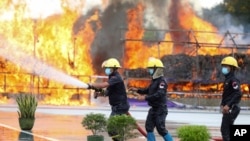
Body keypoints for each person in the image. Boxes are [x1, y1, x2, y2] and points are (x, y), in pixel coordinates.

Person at [129, 57, 173, 141]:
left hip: (161, 109)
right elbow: (148, 90)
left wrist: (145, 97)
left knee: (161, 129)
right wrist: (137, 90)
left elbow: (159, 94)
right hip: (154, 109)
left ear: (157, 69)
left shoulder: (162, 82)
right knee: (149, 127)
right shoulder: (154, 81)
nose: (149, 70)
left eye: (151, 69)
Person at [87, 58, 130, 141]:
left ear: (113, 68)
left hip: (120, 107)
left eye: (108, 68)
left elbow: (104, 85)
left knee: (111, 128)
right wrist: (98, 94)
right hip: (117, 107)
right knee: (114, 129)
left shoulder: (116, 78)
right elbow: (107, 92)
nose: (106, 70)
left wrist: (91, 85)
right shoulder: (112, 78)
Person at [220, 56, 242, 141]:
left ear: (232, 68)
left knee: (225, 131)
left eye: (226, 66)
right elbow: (227, 95)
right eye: (223, 66)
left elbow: (238, 93)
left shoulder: (233, 80)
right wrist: (222, 104)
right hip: (229, 109)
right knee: (227, 131)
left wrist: (228, 105)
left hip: (232, 109)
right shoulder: (227, 80)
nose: (224, 68)